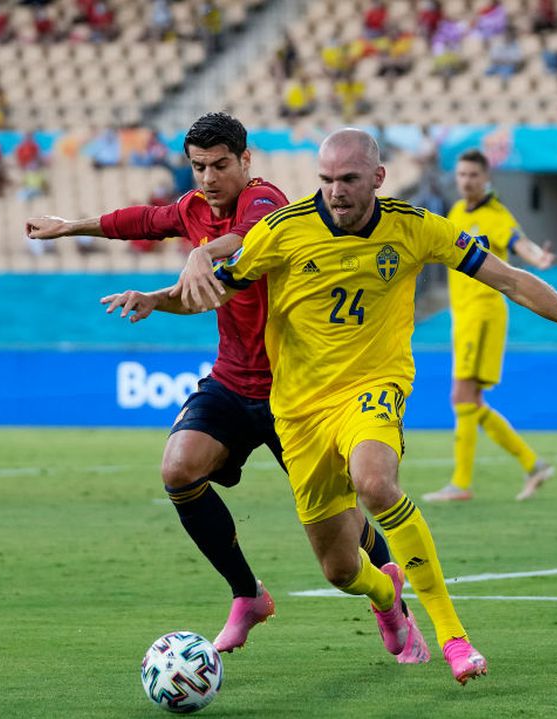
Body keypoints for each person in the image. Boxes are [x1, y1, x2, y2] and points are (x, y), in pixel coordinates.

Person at [101, 129, 557, 684]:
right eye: (327, 180)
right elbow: (212, 291)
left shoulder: (415, 227)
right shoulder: (281, 232)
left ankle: (454, 636)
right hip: (299, 410)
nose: (335, 192)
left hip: (373, 387)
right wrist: (154, 300)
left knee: (376, 483)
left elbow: (512, 280)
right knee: (340, 570)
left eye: (349, 179)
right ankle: (386, 597)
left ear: (378, 179)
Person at [26, 112, 399, 656]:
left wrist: (203, 251)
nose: (208, 177)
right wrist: (72, 227)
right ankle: (247, 594)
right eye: (198, 167)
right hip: (231, 378)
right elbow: (143, 220)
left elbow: (248, 240)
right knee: (178, 468)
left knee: (339, 527)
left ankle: (389, 592)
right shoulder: (194, 208)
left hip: (295, 390)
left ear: (245, 162)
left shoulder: (265, 200)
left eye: (220, 165)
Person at [421, 149, 557, 504]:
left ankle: (461, 483)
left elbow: (517, 241)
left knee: (461, 397)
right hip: (462, 315)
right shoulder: (454, 213)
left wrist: (537, 257)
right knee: (470, 400)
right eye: (462, 175)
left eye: (473, 175)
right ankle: (533, 463)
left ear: (486, 178)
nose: (466, 181)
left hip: (483, 313)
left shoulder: (495, 214)